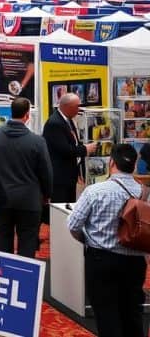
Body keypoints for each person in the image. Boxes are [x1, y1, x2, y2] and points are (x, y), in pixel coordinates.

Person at [67, 144, 148, 337]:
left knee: (106, 314)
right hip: (135, 262)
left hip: (101, 260)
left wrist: (87, 240)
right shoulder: (146, 194)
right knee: (133, 313)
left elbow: (73, 225)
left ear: (111, 162)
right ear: (135, 164)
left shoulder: (95, 191)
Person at [0, 97, 53, 258]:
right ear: (27, 115)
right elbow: (46, 172)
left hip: (2, 199)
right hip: (29, 200)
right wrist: (47, 194)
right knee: (28, 241)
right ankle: (26, 279)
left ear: (11, 112)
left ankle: (6, 277)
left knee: (4, 239)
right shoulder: (37, 142)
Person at [44, 93, 98, 203]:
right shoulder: (54, 123)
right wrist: (85, 149)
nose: (79, 109)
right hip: (60, 178)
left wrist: (78, 171)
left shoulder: (68, 120)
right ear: (67, 107)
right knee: (61, 208)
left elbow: (74, 144)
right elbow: (65, 150)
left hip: (69, 175)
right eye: (77, 106)